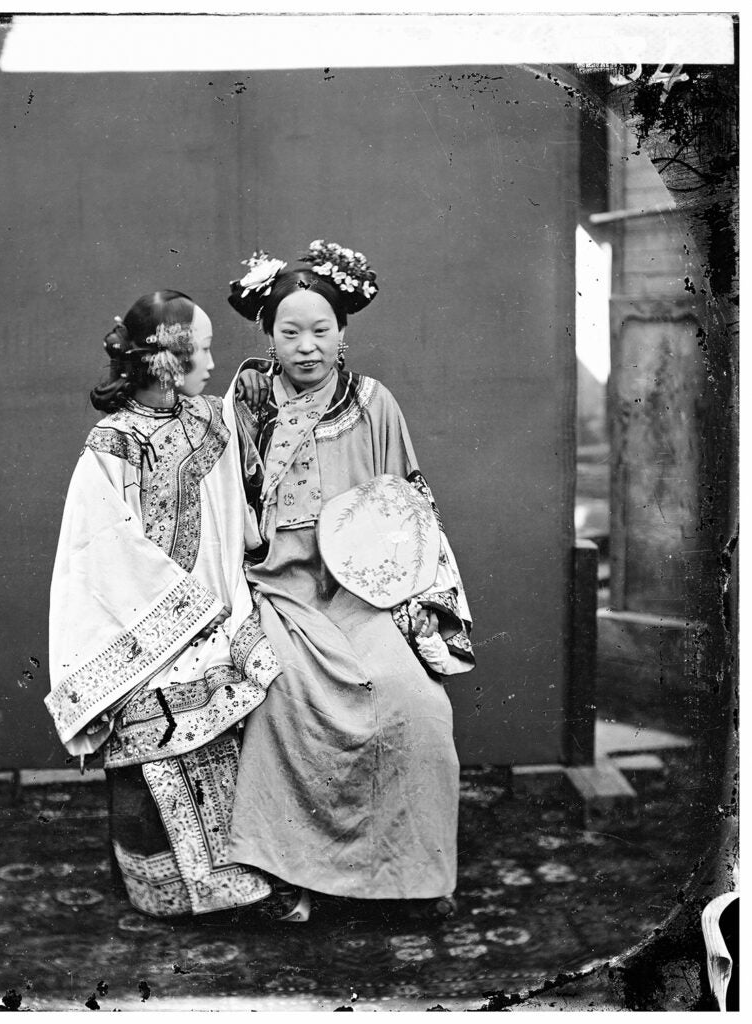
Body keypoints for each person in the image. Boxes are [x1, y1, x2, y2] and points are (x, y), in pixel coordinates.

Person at [224, 242, 475, 923]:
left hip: (362, 593)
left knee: (414, 703)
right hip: (277, 590)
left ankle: (413, 875)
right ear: (267, 335)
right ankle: (287, 875)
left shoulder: (373, 404)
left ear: (344, 333)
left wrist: (413, 600)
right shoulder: (244, 406)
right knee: (282, 696)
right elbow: (221, 511)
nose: (305, 347)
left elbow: (408, 509)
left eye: (320, 330)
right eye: (289, 332)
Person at [45, 290, 282, 919]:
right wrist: (177, 617)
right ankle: (162, 892)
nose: (210, 362)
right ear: (164, 362)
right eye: (200, 350)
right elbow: (98, 548)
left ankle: (243, 878)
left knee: (240, 706)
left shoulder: (210, 418)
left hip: (217, 611)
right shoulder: (112, 442)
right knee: (148, 730)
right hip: (141, 627)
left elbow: (237, 507)